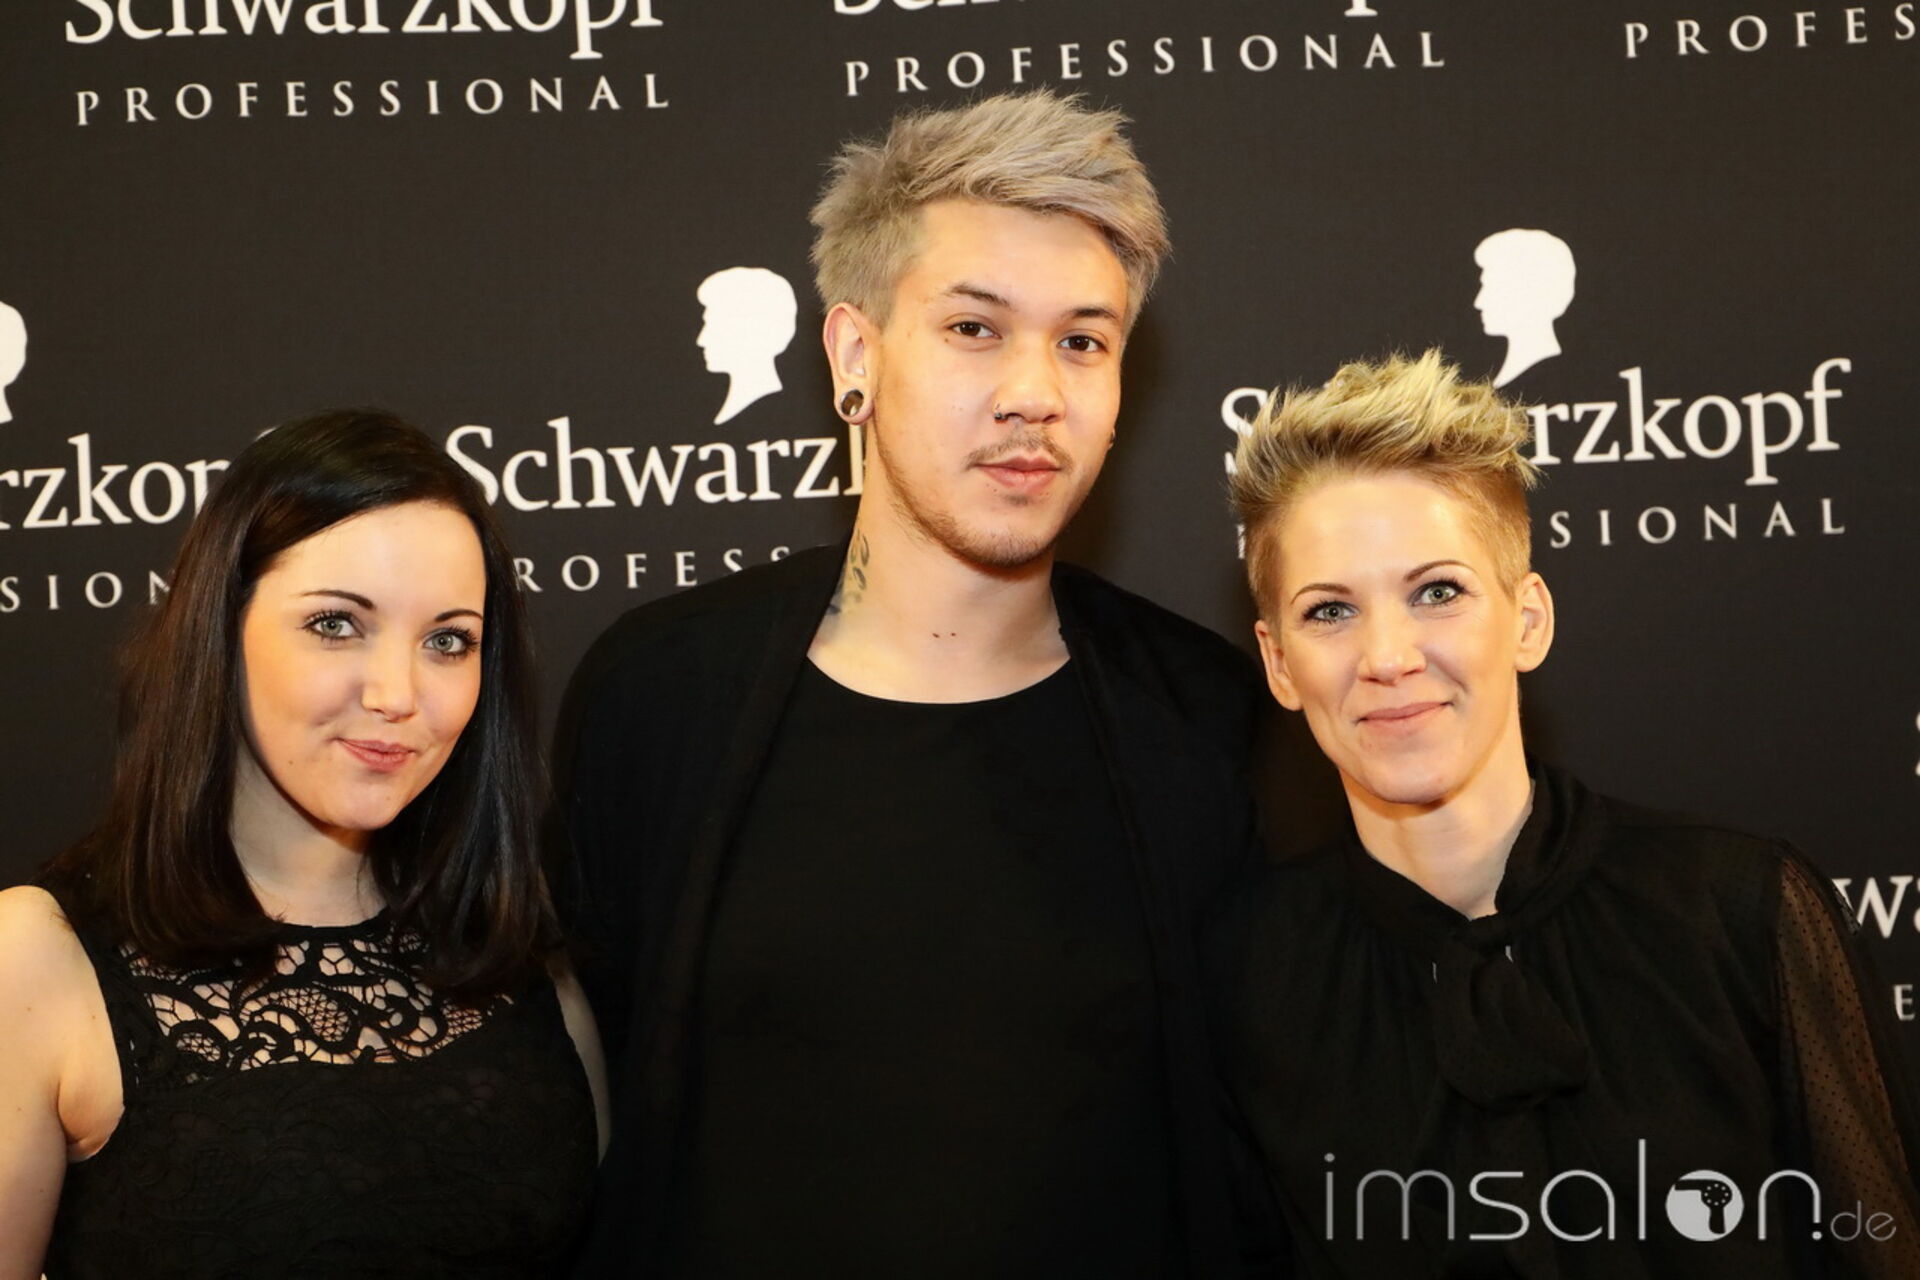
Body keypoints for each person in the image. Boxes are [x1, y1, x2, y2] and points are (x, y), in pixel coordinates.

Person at [560, 91, 1272, 1277]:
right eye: (975, 328)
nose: (1035, 392)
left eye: (1083, 341)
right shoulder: (662, 693)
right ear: (856, 354)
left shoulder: (1202, 715)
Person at [1212, 350, 1920, 1276]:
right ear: (1277, 664)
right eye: (1329, 612)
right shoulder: (1248, 978)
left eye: (1437, 593)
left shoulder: (1738, 911)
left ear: (1528, 619)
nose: (1388, 657)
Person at [0, 409, 610, 1278]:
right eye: (336, 624)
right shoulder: (36, 957)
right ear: (221, 627)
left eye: (448, 641)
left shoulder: (511, 948)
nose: (397, 694)